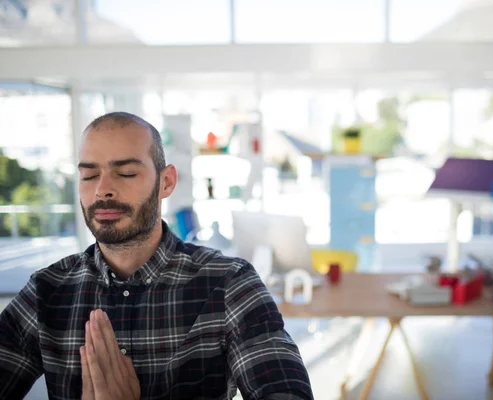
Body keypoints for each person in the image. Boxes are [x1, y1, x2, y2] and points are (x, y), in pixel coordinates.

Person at [0, 112, 313, 400]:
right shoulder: (47, 290)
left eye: (125, 173)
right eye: (89, 175)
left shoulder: (228, 283)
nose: (103, 189)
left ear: (166, 182)